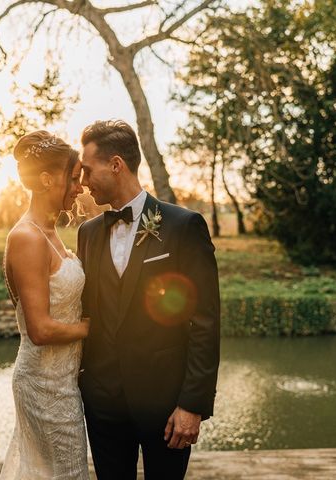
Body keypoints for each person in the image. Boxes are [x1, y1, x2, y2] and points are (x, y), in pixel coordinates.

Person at [77, 120, 221, 480]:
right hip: (103, 407)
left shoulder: (183, 226)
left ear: (115, 164)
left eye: (87, 170)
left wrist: (192, 405)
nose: (82, 181)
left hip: (167, 407)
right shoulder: (87, 233)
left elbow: (204, 321)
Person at [0, 131, 90, 479]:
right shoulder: (26, 238)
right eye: (74, 178)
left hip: (64, 381)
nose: (79, 187)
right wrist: (99, 328)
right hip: (43, 384)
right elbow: (40, 329)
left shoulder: (51, 233)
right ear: (48, 179)